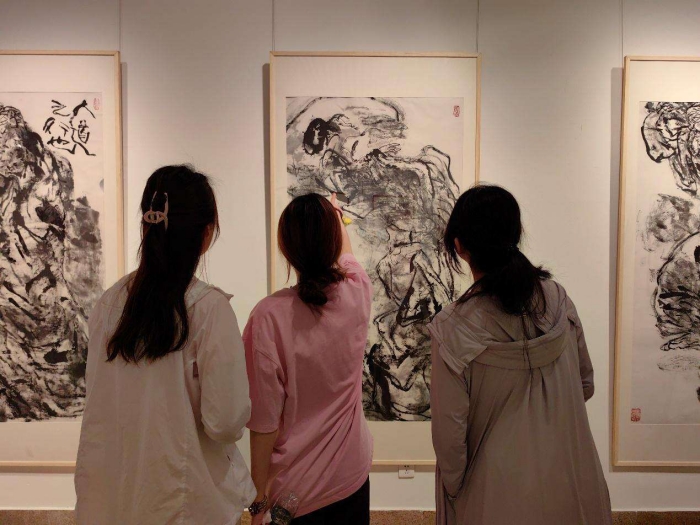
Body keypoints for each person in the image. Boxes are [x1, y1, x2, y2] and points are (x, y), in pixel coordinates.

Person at [75, 165, 255, 525]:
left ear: (146, 226)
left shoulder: (109, 304)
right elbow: (224, 422)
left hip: (112, 500)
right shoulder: (208, 308)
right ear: (206, 233)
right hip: (187, 503)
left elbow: (99, 402)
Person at [429, 185, 612, 524]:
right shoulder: (558, 299)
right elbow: (585, 384)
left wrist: (457, 491)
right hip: (571, 478)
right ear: (515, 235)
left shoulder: (452, 326)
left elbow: (449, 434)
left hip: (493, 492)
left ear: (459, 246)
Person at [244, 193, 373, 524]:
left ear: (286, 249)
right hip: (350, 479)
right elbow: (346, 254)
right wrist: (336, 216)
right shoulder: (358, 291)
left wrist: (258, 498)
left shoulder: (268, 316)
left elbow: (264, 423)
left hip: (294, 493)